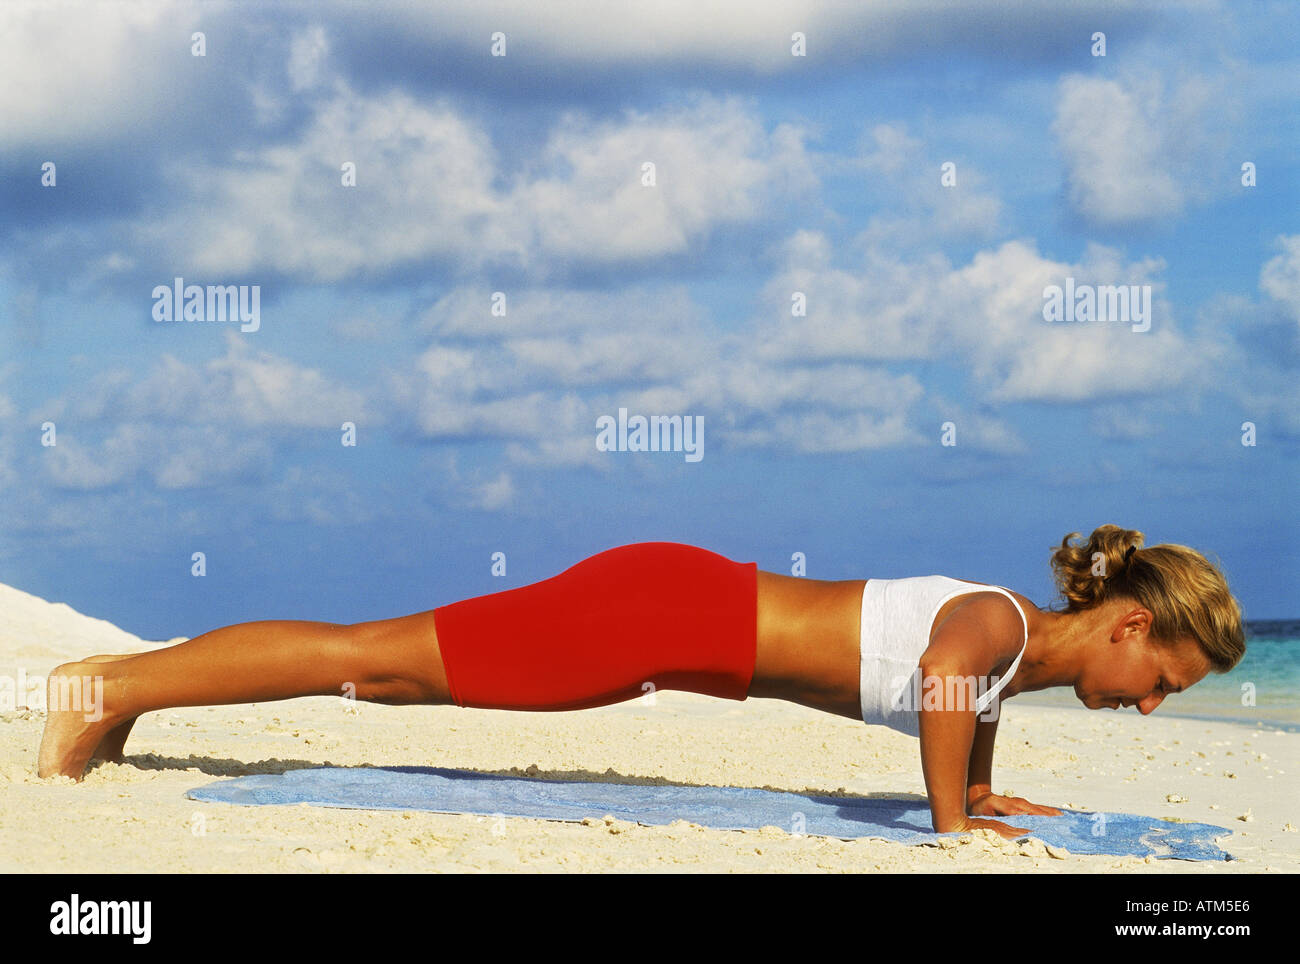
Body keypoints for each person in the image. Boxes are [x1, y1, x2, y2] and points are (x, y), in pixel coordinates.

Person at [37, 523, 1245, 841]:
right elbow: (943, 680)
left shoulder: (1017, 656)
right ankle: (108, 688)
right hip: (661, 614)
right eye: (1161, 680)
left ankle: (121, 683)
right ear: (1130, 623)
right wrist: (948, 823)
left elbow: (967, 709)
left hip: (672, 616)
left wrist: (981, 801)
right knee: (378, 660)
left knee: (396, 674)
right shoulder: (991, 625)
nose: (1148, 704)